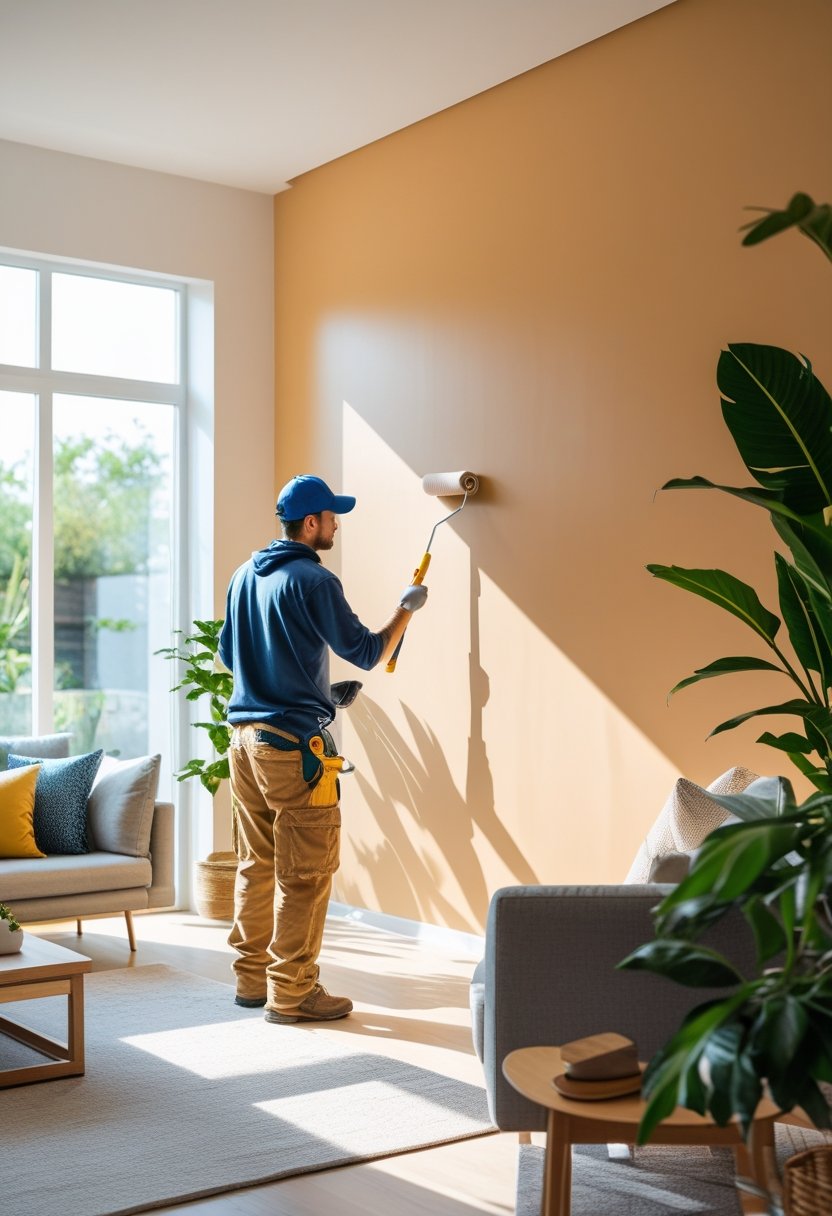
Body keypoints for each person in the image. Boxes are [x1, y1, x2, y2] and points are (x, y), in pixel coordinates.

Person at [217, 474, 428, 1024]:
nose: (336, 525)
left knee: (255, 863)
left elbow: (230, 653)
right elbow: (364, 651)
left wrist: (309, 692)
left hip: (243, 743)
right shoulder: (314, 579)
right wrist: (406, 609)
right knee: (305, 872)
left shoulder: (244, 575)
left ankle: (250, 980)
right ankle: (293, 992)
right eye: (332, 517)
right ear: (311, 523)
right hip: (290, 748)